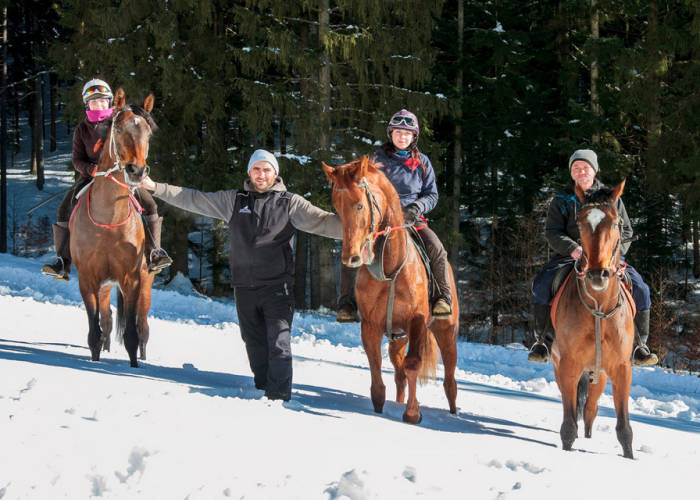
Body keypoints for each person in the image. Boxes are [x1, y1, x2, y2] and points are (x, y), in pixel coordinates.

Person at [140, 149, 342, 401]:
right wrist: (155, 187)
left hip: (278, 287)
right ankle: (262, 390)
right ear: (249, 172)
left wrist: (364, 229)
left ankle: (278, 397)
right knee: (254, 343)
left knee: (279, 343)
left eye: (267, 169)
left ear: (275, 173)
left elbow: (324, 221)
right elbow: (193, 198)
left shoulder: (290, 203)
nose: (261, 174)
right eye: (256, 169)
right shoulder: (234, 200)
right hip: (244, 288)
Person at [528, 149, 658, 366]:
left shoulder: (612, 198)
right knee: (542, 285)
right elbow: (552, 232)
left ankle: (638, 346)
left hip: (609, 259)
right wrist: (574, 249)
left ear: (594, 170)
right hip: (570, 257)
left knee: (641, 289)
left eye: (585, 167)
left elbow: (625, 233)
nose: (580, 171)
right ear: (571, 172)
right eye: (575, 168)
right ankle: (543, 342)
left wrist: (615, 260)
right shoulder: (561, 200)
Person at [41, 78, 172, 281]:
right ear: (87, 104)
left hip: (122, 177)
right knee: (64, 207)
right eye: (93, 102)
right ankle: (62, 261)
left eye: (102, 101)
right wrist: (90, 169)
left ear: (109, 102)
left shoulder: (121, 122)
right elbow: (77, 159)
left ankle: (154, 252)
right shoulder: (82, 129)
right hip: (92, 178)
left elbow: (134, 144)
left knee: (150, 204)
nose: (98, 105)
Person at [335, 109, 452, 322]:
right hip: (379, 221)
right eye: (398, 132)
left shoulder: (423, 162)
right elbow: (361, 185)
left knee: (436, 248)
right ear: (390, 134)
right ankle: (347, 303)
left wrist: (417, 207)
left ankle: (441, 298)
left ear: (414, 136)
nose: (402, 137)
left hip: (412, 219)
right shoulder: (376, 159)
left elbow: (432, 195)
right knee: (352, 248)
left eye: (407, 133)